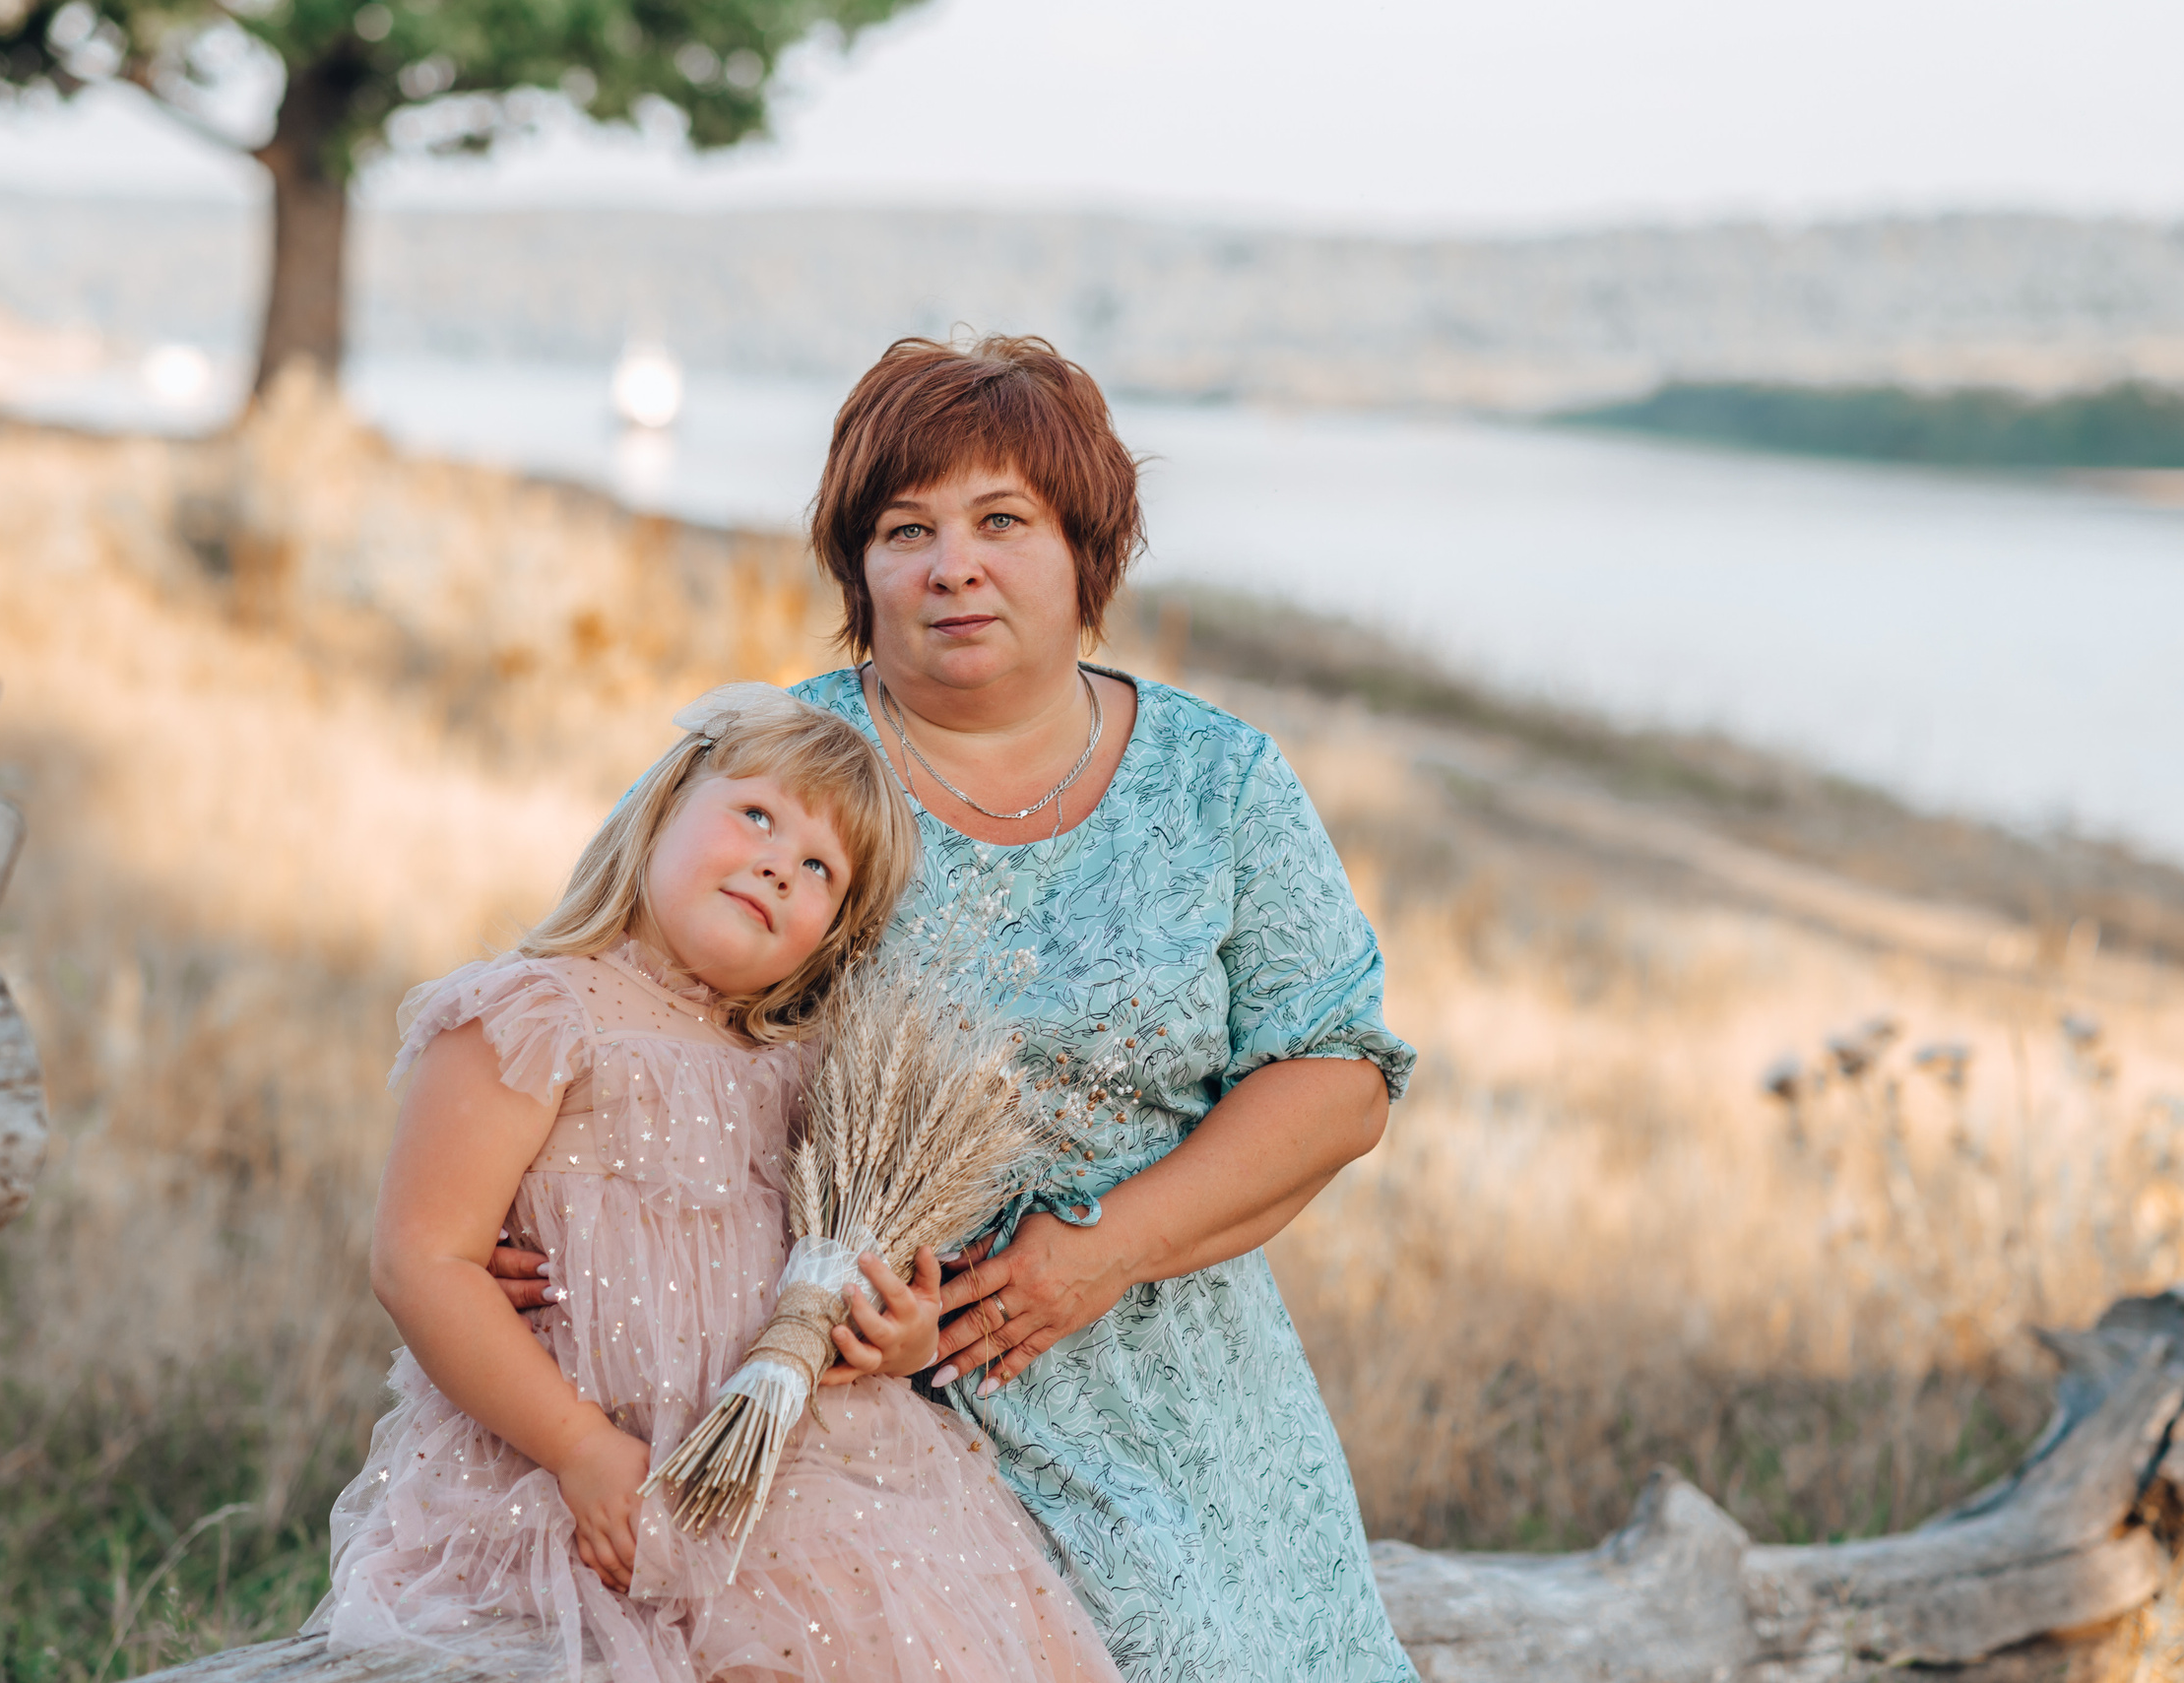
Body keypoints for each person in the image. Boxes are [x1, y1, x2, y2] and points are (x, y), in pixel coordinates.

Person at [496, 337, 1422, 1681]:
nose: (953, 565)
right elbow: (595, 998)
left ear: (1085, 551)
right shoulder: (774, 763)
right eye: (905, 530)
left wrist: (1100, 1249)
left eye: (1003, 522)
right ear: (859, 571)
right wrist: (540, 1202)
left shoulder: (1222, 782)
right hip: (823, 1367)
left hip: (1170, 1379)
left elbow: (1339, 1075)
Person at [307, 687, 1122, 1683]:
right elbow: (420, 1257)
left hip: (808, 1475)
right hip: (579, 1472)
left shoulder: (813, 1071)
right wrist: (579, 1449)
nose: (781, 861)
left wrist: (896, 1336)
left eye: (820, 866)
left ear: (832, 934)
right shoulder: (534, 1013)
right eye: (757, 815)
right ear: (664, 806)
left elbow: (846, 1269)